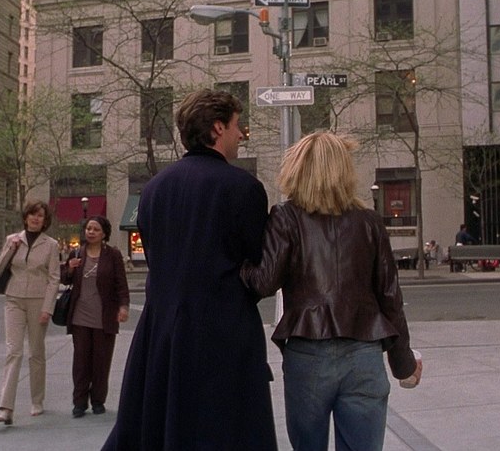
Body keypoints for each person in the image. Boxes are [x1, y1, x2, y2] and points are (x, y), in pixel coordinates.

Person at [101, 89, 277, 450]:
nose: (241, 134)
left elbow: (157, 256)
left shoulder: (153, 190)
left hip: (162, 332)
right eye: (236, 125)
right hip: (224, 335)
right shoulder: (243, 188)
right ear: (218, 128)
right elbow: (257, 265)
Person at [242, 132, 422, 451]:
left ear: (297, 169)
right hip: (364, 353)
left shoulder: (286, 217)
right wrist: (403, 363)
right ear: (345, 171)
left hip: (307, 353)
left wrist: (236, 264)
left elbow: (264, 282)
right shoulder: (369, 222)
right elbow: (390, 298)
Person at [0, 201, 60, 426]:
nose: (36, 219)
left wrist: (47, 308)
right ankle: (6, 407)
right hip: (14, 298)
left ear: (45, 220)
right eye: (32, 214)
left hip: (38, 301)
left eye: (40, 216)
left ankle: (37, 400)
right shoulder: (13, 239)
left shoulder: (51, 245)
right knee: (13, 351)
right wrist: (10, 249)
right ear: (25, 217)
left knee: (36, 352)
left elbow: (54, 278)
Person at [61, 216, 130, 418]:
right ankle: (79, 402)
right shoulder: (77, 252)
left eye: (96, 229)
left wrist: (123, 307)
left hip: (104, 316)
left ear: (104, 234)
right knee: (81, 361)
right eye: (89, 228)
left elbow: (121, 284)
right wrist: (70, 268)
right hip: (80, 315)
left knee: (101, 360)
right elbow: (64, 279)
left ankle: (98, 400)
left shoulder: (113, 255)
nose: (91, 232)